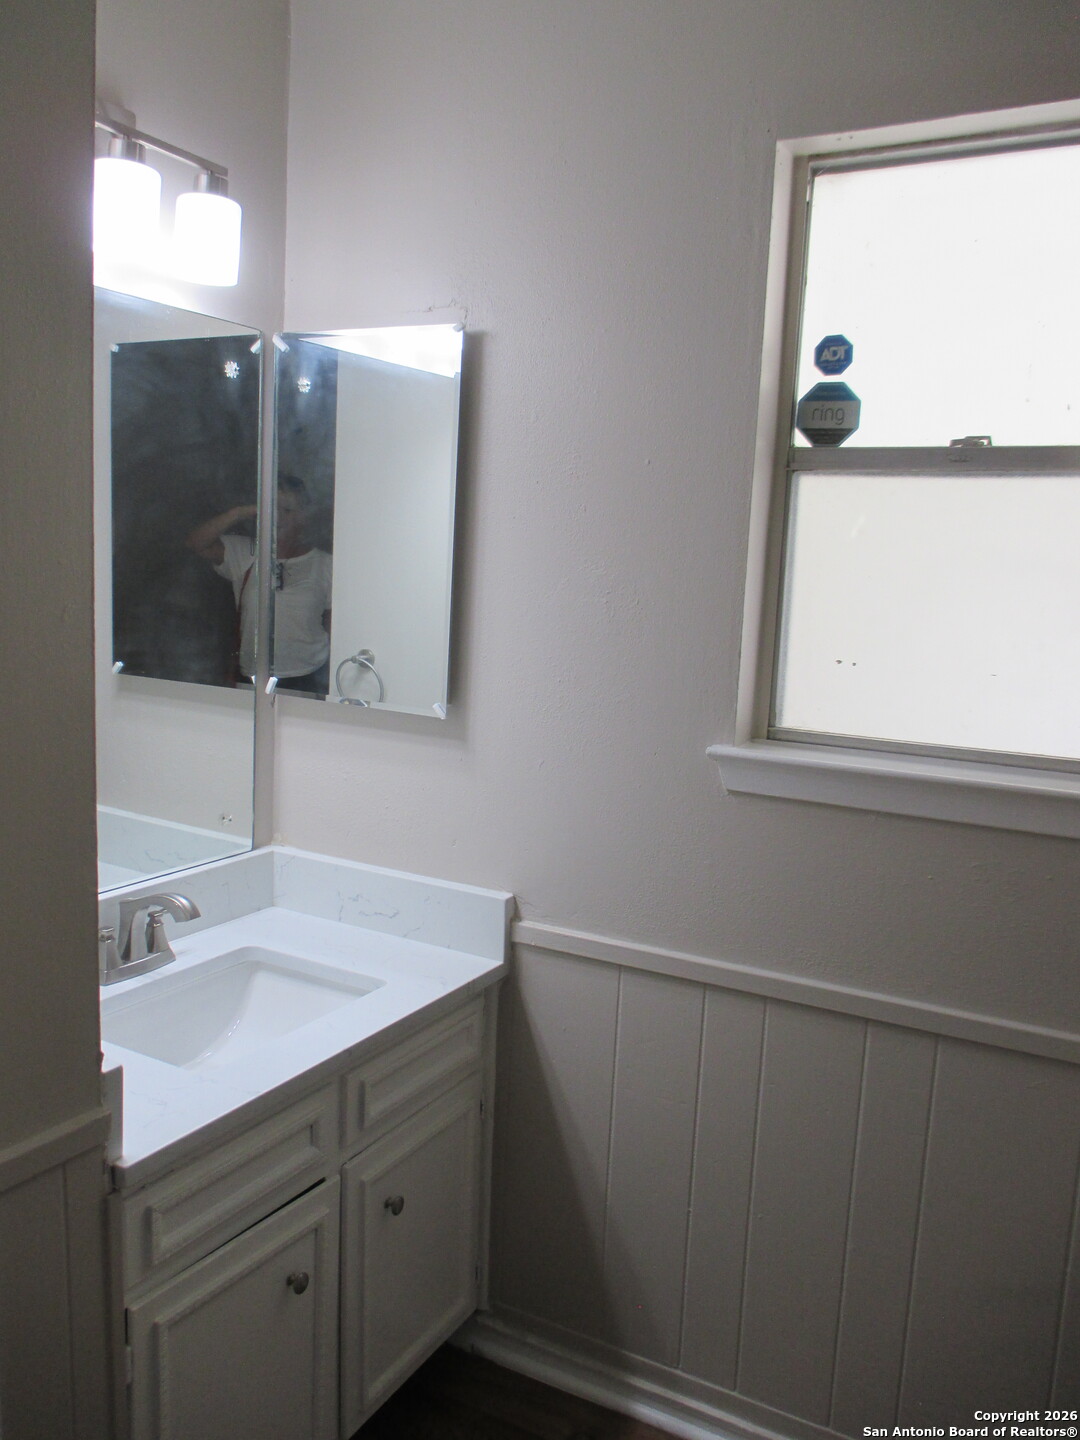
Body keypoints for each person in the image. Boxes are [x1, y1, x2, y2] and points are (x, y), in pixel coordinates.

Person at [186, 476, 332, 693]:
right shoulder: (246, 552)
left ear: (302, 517)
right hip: (253, 676)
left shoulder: (324, 563)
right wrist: (238, 513)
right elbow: (196, 543)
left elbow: (333, 624)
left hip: (308, 675)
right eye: (272, 508)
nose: (278, 517)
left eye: (287, 510)